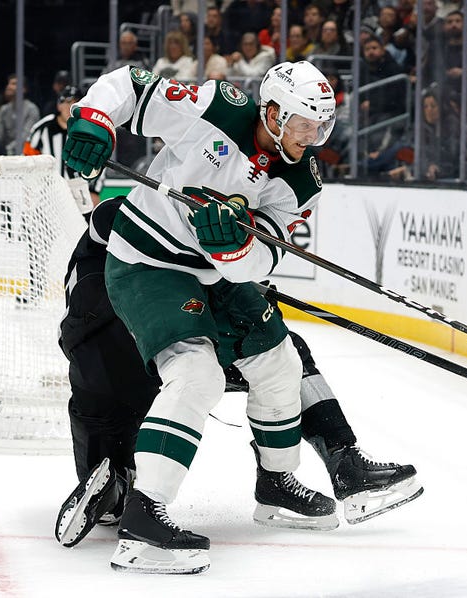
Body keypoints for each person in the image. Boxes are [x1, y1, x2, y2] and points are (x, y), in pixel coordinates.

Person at [60, 61, 367, 574]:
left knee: (280, 363)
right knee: (195, 372)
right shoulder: (217, 108)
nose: (311, 138)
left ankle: (277, 486)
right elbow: (130, 86)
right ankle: (143, 516)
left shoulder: (301, 182)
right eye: (302, 126)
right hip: (147, 261)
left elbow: (266, 257)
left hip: (216, 276)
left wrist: (237, 247)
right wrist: (94, 118)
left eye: (320, 127)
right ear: (271, 114)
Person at [54, 197, 422, 549]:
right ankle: (123, 488)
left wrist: (241, 291)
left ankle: (339, 460)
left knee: (285, 354)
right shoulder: (122, 249)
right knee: (114, 459)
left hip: (151, 349)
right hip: (115, 357)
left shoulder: (187, 236)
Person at [23, 86, 103, 219]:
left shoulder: (91, 129)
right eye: (66, 102)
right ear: (58, 106)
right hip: (48, 193)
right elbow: (28, 159)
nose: (70, 107)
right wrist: (31, 187)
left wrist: (94, 190)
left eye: (75, 103)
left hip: (82, 192)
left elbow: (100, 161)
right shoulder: (43, 128)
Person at [0, 74, 40, 155]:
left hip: (24, 154)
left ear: (24, 89)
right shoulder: (4, 109)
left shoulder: (31, 109)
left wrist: (9, 149)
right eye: (9, 83)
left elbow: (27, 136)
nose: (9, 87)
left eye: (13, 84)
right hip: (4, 154)